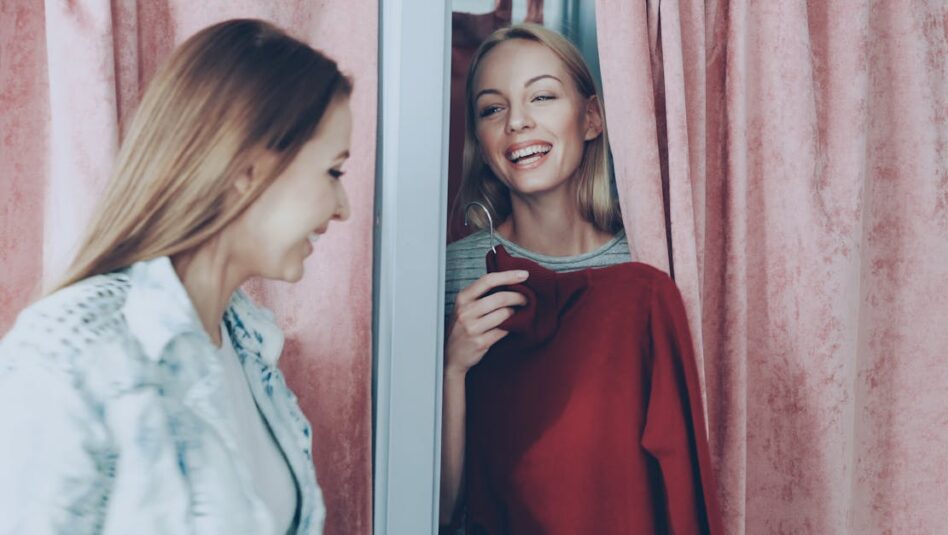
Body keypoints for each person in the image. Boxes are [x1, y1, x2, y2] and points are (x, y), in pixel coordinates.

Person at [0, 19, 353, 534]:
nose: (342, 207)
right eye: (333, 172)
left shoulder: (249, 349)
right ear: (246, 169)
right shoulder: (70, 350)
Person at [440, 22, 631, 527]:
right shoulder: (448, 277)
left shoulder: (647, 265)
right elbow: (436, 510)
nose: (517, 123)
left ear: (591, 118)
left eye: (541, 97)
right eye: (492, 108)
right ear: (479, 141)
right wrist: (453, 367)